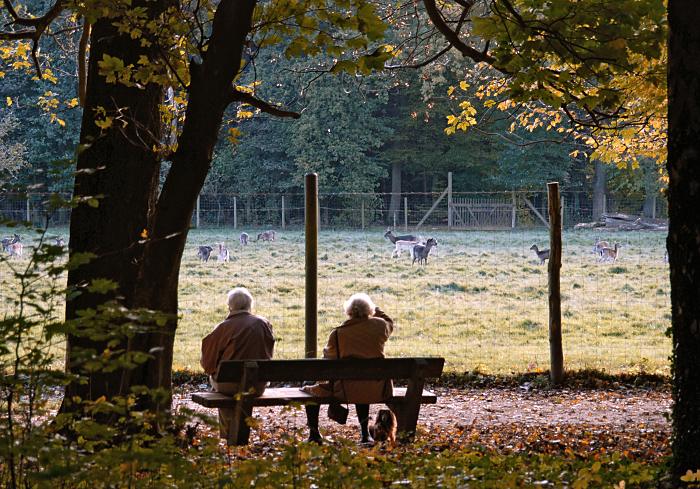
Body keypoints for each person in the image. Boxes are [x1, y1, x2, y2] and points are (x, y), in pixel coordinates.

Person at [301, 293, 394, 444]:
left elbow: (328, 358)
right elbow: (389, 321)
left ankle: (314, 433)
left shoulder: (338, 333)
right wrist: (374, 308)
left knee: (309, 383)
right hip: (376, 387)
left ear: (349, 312)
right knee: (361, 381)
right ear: (370, 310)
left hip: (345, 389)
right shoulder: (380, 326)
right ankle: (365, 434)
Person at [200, 287, 274, 444]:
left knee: (219, 381)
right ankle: (236, 434)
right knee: (234, 380)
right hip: (257, 385)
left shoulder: (223, 328)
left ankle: (229, 435)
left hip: (229, 386)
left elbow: (207, 365)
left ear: (229, 306)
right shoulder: (264, 324)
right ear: (250, 305)